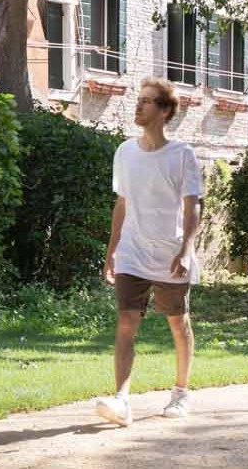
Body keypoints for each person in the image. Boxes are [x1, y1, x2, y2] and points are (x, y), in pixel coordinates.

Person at [94, 78, 203, 427]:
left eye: (146, 101)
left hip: (171, 254)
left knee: (177, 322)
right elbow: (122, 203)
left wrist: (186, 250)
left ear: (165, 110)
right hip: (132, 252)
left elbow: (193, 207)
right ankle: (121, 400)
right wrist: (111, 251)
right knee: (126, 321)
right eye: (137, 100)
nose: (137, 106)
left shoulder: (182, 155)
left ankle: (181, 393)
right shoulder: (125, 152)